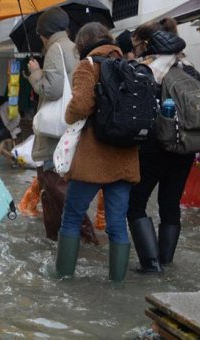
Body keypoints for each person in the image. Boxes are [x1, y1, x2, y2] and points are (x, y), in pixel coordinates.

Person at [56, 22, 140, 283]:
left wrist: (67, 114)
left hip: (93, 159)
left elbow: (80, 106)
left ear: (81, 44)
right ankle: (117, 283)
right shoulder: (130, 65)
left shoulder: (89, 66)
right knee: (117, 224)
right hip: (125, 157)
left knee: (71, 217)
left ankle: (63, 277)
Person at [127, 17, 200, 272]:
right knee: (170, 205)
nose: (134, 48)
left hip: (155, 146)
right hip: (186, 146)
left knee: (135, 204)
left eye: (136, 43)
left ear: (147, 43)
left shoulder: (148, 67)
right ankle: (166, 262)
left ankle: (150, 265)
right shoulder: (188, 65)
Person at [25, 7, 96, 243]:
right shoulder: (75, 48)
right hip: (72, 128)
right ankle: (56, 240)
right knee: (52, 189)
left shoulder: (55, 49)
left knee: (54, 183)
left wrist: (35, 74)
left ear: (43, 33)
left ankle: (85, 238)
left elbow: (52, 89)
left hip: (55, 133)